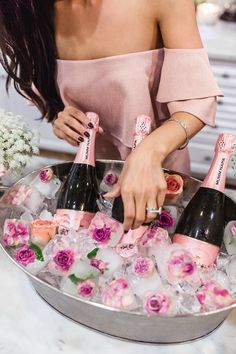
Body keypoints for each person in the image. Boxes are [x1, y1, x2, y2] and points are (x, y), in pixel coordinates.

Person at [0, 0, 222, 231]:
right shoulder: (34, 11)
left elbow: (195, 101)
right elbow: (49, 92)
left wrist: (149, 151)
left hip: (157, 176)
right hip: (94, 178)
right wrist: (60, 118)